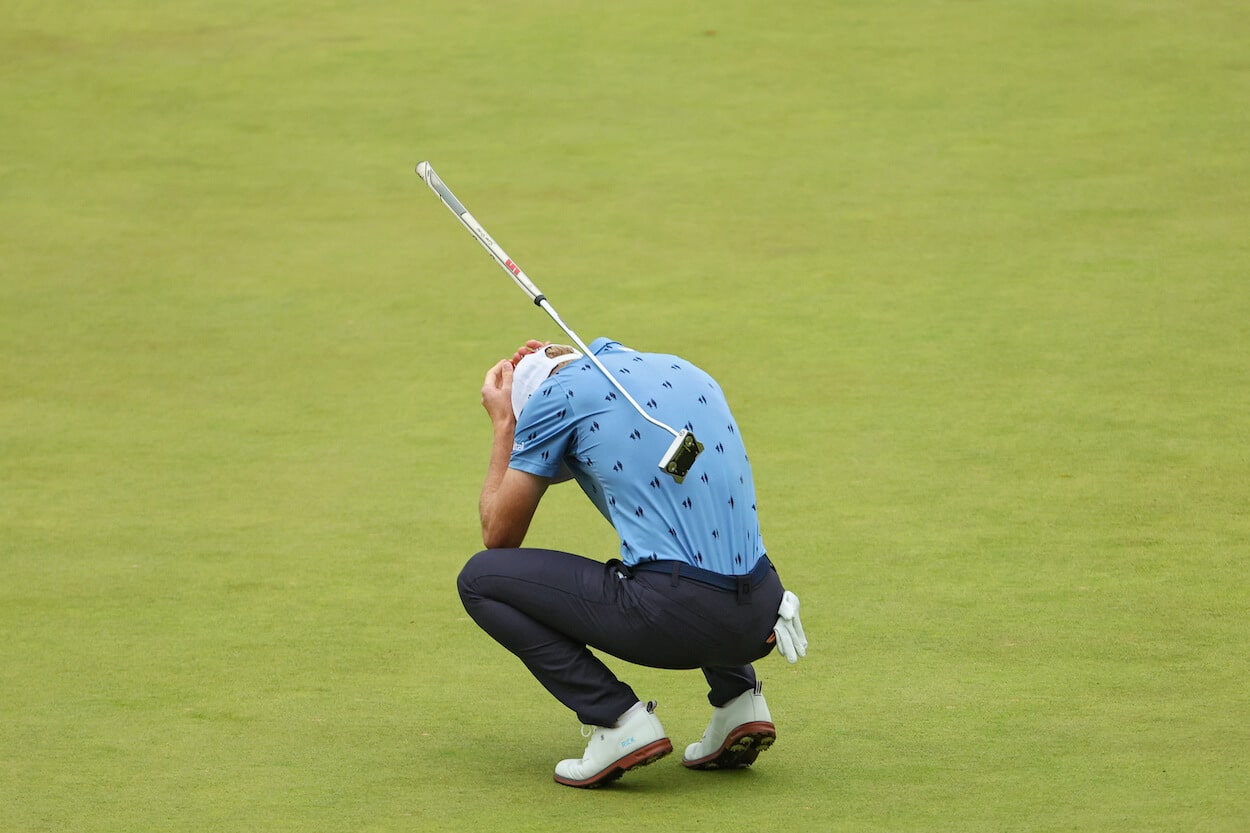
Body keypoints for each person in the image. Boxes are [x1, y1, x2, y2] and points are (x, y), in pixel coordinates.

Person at [457, 336, 807, 788]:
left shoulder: (556, 397)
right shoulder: (683, 370)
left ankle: (618, 722)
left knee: (480, 579)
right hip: (766, 609)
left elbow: (498, 534)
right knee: (677, 551)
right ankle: (741, 701)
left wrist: (506, 424)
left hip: (679, 616)